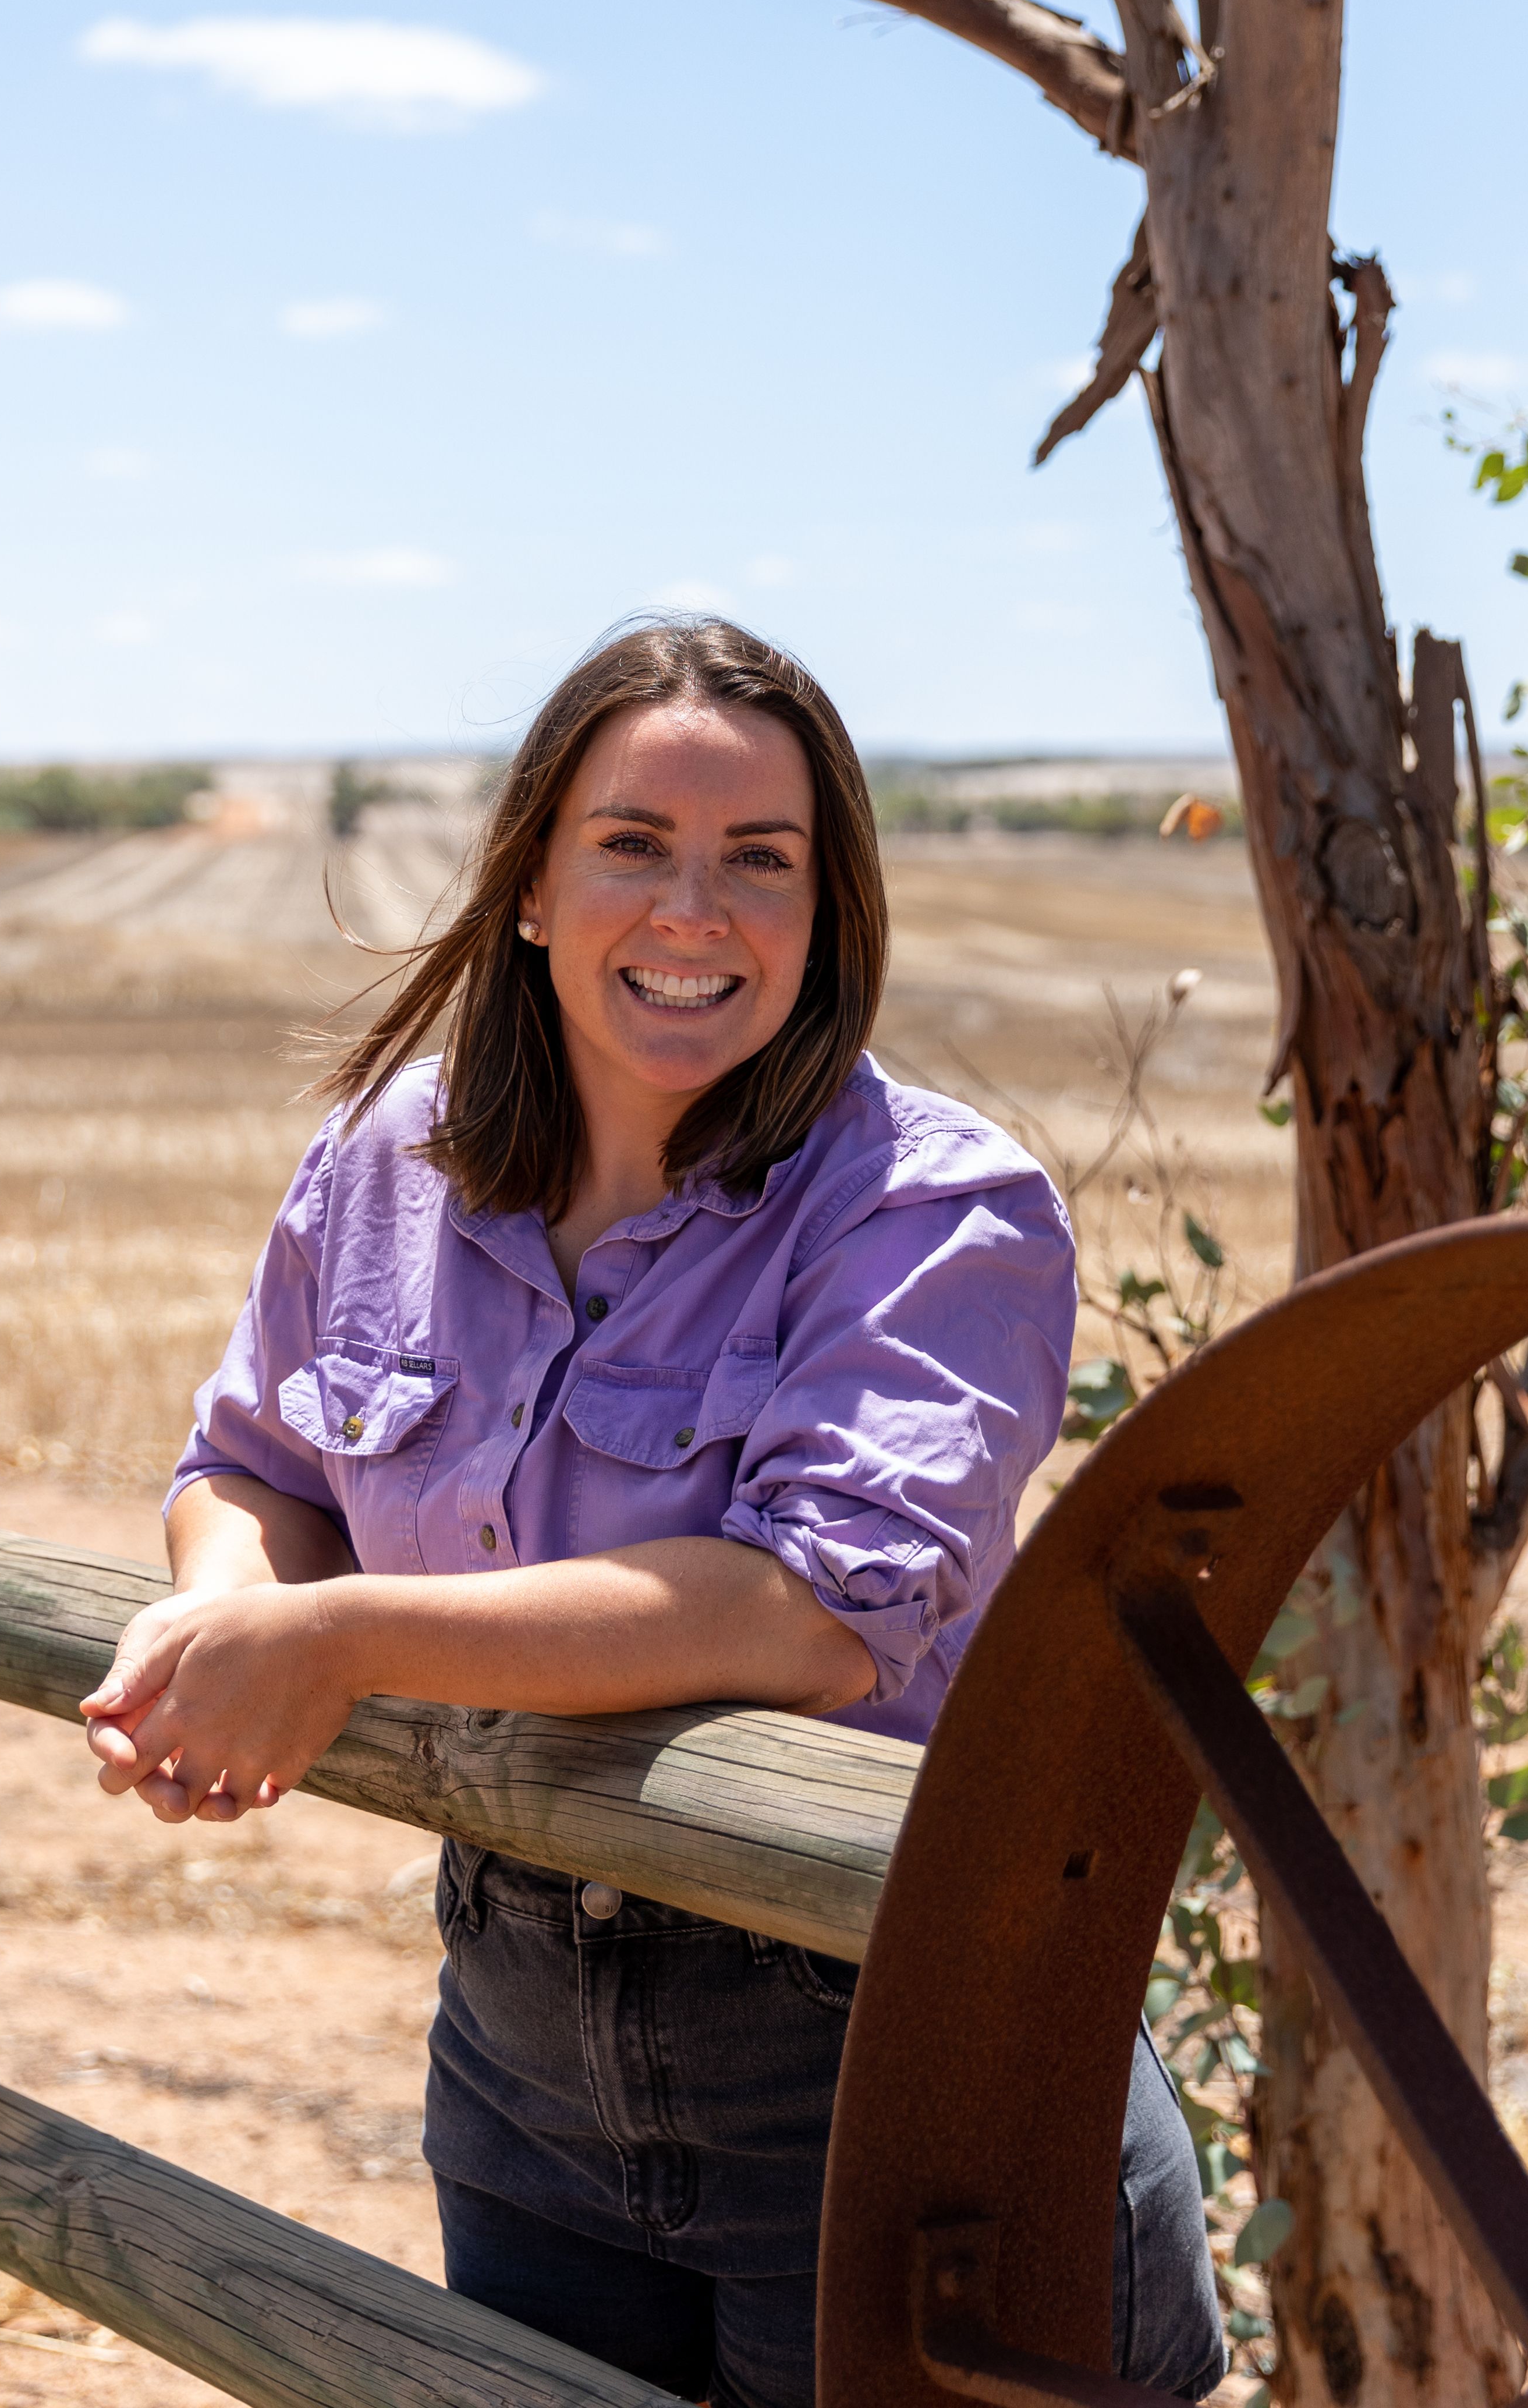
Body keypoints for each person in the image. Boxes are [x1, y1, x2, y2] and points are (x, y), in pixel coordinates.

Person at [79, 616, 1225, 2408]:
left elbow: (811, 1612)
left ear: (826, 913)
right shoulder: (385, 1166)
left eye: (760, 860)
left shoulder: (934, 1212)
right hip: (524, 2055)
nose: (696, 911)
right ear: (533, 884)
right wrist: (223, 1620)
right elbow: (257, 1469)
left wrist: (338, 1639)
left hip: (886, 2056)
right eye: (634, 844)